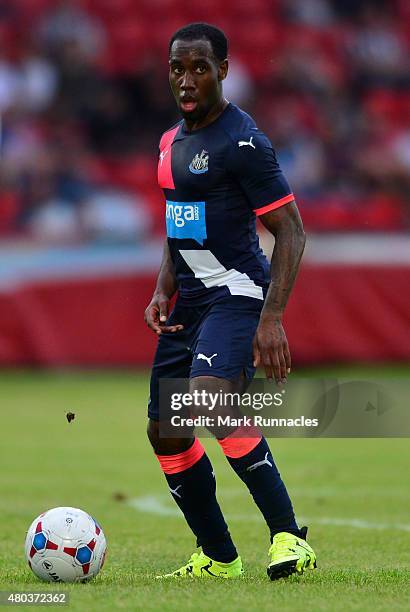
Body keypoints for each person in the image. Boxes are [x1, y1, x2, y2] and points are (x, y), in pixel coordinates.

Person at [144, 22, 317, 580]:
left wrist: (272, 317)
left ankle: (290, 537)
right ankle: (219, 557)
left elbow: (291, 231)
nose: (187, 78)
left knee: (207, 400)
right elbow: (181, 231)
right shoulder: (171, 143)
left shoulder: (244, 142)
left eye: (199, 67)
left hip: (238, 295)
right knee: (165, 430)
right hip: (187, 307)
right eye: (178, 68)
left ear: (223, 69)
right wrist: (160, 289)